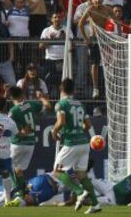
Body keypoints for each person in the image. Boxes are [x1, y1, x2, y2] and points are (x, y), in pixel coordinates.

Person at [52, 78, 101, 214]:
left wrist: (54, 131)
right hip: (84, 143)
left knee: (57, 171)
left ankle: (80, 192)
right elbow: (88, 125)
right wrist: (79, 131)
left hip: (71, 143)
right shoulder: (80, 104)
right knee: (81, 175)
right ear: (73, 90)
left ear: (61, 90)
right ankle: (95, 204)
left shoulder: (61, 104)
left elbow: (61, 122)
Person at [8, 86, 51, 196]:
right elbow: (47, 106)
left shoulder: (13, 111)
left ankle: (16, 187)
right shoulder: (32, 104)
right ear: (22, 95)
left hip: (18, 142)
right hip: (30, 143)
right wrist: (42, 97)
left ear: (11, 97)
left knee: (7, 166)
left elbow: (8, 127)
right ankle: (23, 194)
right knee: (19, 170)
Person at [79, 0, 114, 99]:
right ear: (92, 0)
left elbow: (117, 21)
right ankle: (95, 87)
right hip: (94, 39)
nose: (98, 0)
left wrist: (117, 34)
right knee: (94, 63)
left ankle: (110, 85)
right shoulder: (90, 10)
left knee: (109, 62)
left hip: (105, 38)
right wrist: (86, 38)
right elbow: (80, 23)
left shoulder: (107, 9)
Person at [39, 11, 73, 98]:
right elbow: (41, 46)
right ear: (51, 19)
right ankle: (48, 104)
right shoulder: (46, 30)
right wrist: (50, 40)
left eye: (59, 17)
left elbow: (73, 47)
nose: (57, 19)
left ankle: (61, 102)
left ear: (62, 19)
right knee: (47, 84)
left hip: (63, 61)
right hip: (50, 60)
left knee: (62, 84)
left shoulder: (67, 29)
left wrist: (65, 38)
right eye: (55, 17)